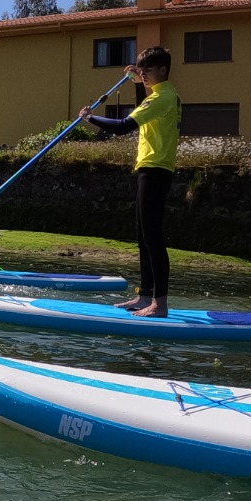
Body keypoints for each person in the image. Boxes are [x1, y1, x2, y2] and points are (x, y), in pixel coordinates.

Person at [79, 48, 178, 317]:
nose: (143, 72)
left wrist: (90, 117)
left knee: (153, 239)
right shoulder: (159, 97)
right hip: (149, 170)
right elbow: (141, 111)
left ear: (163, 71)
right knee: (143, 238)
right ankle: (145, 296)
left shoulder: (163, 97)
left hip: (156, 171)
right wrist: (137, 82)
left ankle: (160, 303)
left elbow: (124, 125)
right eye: (140, 68)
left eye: (148, 69)